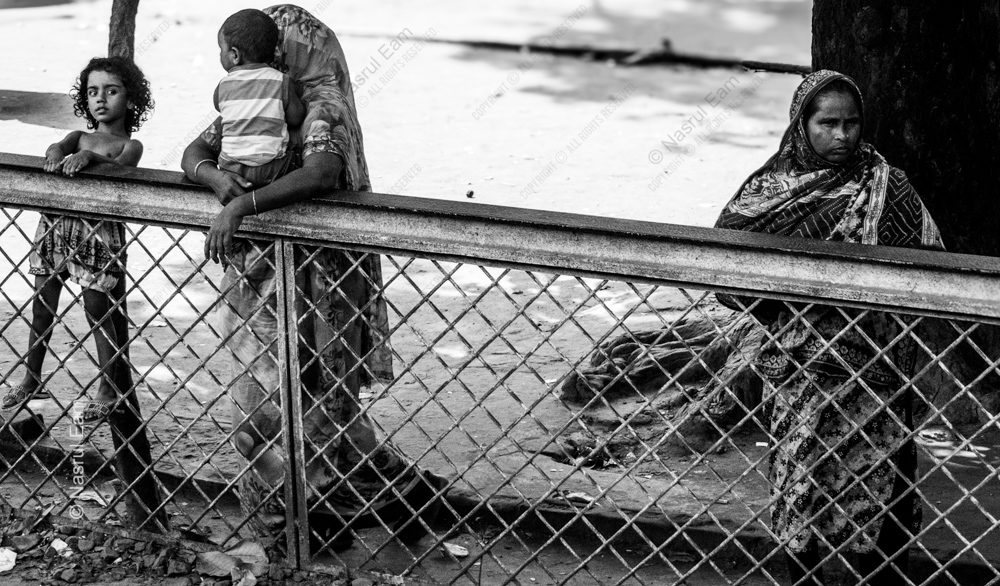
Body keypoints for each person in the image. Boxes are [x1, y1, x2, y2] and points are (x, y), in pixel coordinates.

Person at [181, 4, 445, 549]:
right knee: (276, 423)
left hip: (318, 288)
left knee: (315, 423)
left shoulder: (319, 109)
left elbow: (322, 171)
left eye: (281, 47)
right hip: (259, 283)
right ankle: (376, 508)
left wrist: (243, 203)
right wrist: (212, 178)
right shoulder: (250, 100)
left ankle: (307, 531)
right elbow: (196, 149)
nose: (272, 55)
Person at [715, 70, 943, 585]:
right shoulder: (768, 191)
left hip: (877, 369)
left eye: (852, 123)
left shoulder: (889, 185)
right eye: (828, 123)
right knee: (801, 482)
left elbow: (931, 265)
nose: (842, 136)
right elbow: (728, 270)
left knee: (882, 485)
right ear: (802, 125)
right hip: (798, 370)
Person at [3, 56, 153, 425]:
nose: (100, 99)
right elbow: (58, 145)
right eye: (92, 92)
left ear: (131, 100)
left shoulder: (130, 145)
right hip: (56, 228)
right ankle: (31, 376)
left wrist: (87, 157)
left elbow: (121, 169)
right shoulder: (78, 137)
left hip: (97, 234)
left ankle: (107, 388)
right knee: (41, 306)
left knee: (98, 311)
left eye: (112, 91)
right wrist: (57, 153)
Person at [194, 8, 304, 190]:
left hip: (230, 168)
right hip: (270, 169)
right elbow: (295, 117)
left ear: (235, 55)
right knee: (295, 154)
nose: (219, 55)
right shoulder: (281, 81)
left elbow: (222, 109)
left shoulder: (223, 86)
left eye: (221, 49)